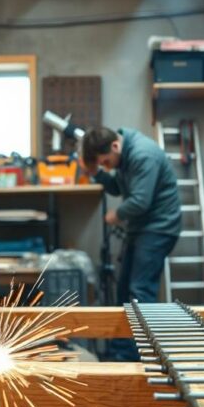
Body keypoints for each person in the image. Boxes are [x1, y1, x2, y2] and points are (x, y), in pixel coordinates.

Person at [81, 126, 181, 360]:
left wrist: (116, 215)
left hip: (159, 228)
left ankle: (143, 359)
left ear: (115, 146)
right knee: (124, 291)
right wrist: (96, 172)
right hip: (141, 228)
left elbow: (140, 201)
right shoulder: (123, 154)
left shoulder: (143, 155)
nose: (107, 167)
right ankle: (122, 355)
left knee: (140, 292)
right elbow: (118, 188)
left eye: (106, 162)